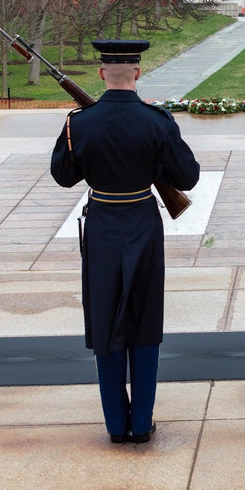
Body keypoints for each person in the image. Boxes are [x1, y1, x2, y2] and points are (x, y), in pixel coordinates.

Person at [50, 39, 200, 444]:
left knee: (105, 319)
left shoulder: (78, 121)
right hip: (142, 225)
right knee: (144, 319)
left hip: (101, 227)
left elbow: (63, 176)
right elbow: (187, 177)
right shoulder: (158, 121)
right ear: (137, 72)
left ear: (101, 74)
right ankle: (142, 422)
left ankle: (116, 425)